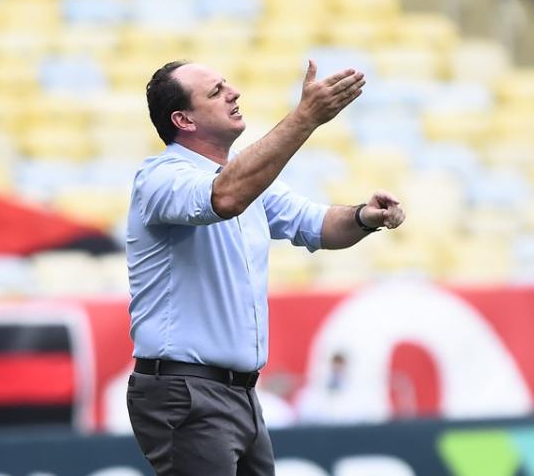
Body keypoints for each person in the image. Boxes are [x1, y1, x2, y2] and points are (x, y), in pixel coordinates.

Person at [125, 59, 405, 476]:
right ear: (183, 119)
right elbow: (224, 198)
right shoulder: (160, 178)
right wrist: (305, 118)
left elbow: (319, 226)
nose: (233, 92)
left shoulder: (246, 180)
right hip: (186, 390)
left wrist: (364, 217)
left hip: (238, 393)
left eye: (227, 84)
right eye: (215, 91)